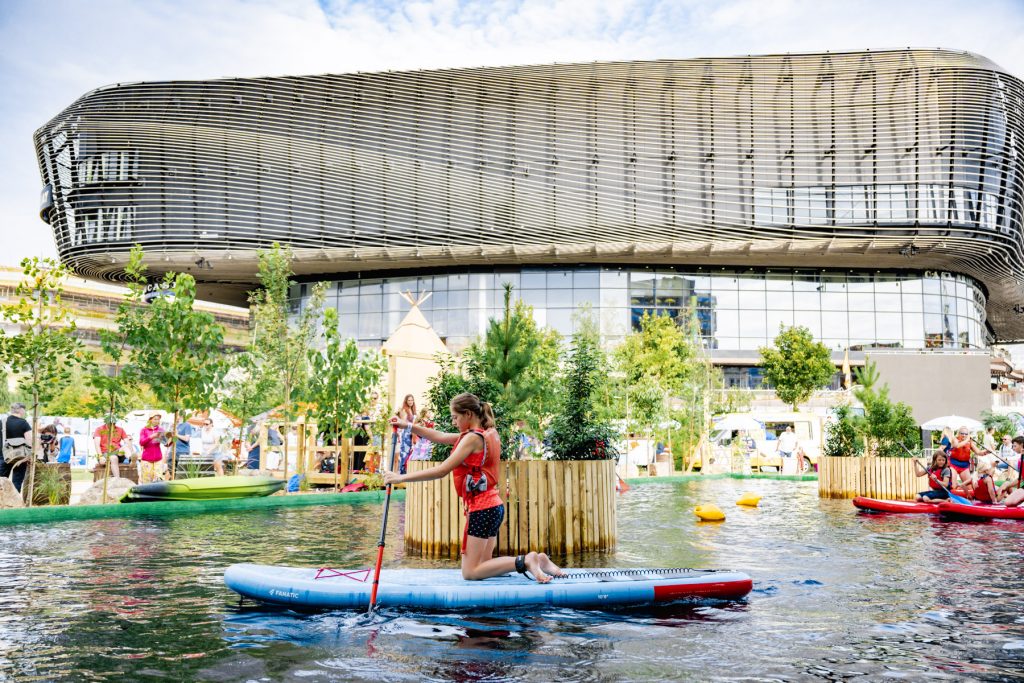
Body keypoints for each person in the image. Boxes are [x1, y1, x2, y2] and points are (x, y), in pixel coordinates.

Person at [384, 392, 564, 583]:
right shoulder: (486, 434)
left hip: (482, 509)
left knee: (470, 572)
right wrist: (407, 426)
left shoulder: (472, 439)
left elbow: (442, 470)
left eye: (455, 417)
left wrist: (400, 477)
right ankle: (541, 560)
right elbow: (440, 436)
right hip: (494, 507)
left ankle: (526, 560)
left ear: (468, 414)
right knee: (485, 565)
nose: (453, 422)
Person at [0, 403, 33, 492]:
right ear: (21, 410)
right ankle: (14, 504)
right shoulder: (23, 423)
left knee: (1, 481)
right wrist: (30, 455)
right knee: (17, 482)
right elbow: (30, 441)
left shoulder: (2, 422)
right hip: (20, 457)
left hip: (4, 455)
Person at [948, 425, 986, 493]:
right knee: (953, 486)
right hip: (953, 464)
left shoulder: (970, 442)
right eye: (962, 433)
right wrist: (967, 440)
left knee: (969, 488)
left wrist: (987, 452)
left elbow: (979, 452)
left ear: (968, 434)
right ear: (958, 433)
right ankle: (953, 495)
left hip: (964, 466)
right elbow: (957, 446)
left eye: (966, 434)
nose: (963, 435)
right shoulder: (955, 439)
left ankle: (963, 491)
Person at [138, 413, 165, 483]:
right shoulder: (144, 430)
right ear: (150, 420)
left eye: (158, 419)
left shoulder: (161, 430)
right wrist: (152, 436)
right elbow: (141, 442)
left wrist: (171, 439)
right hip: (146, 459)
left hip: (158, 459)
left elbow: (166, 444)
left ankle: (158, 493)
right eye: (155, 419)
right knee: (147, 481)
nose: (157, 421)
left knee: (159, 480)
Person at [998, 435, 1024, 507]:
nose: (1013, 448)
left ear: (1021, 445)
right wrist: (1007, 486)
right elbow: (1021, 478)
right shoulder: (1020, 458)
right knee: (1008, 502)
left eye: (1015, 446)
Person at [395, 394, 417, 474]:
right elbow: (403, 422)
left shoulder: (413, 410)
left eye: (412, 400)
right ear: (406, 401)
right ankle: (402, 473)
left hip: (413, 433)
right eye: (409, 400)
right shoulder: (404, 410)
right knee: (405, 453)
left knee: (411, 452)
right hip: (406, 433)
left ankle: (407, 472)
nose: (410, 402)